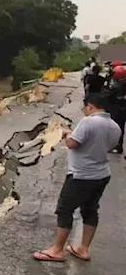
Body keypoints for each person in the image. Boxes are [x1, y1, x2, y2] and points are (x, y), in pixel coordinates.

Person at [33, 93, 121, 262]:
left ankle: (57, 250)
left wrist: (66, 134)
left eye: (84, 108)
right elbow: (107, 147)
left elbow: (72, 143)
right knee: (90, 210)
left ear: (90, 106)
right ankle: (83, 249)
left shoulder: (88, 122)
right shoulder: (114, 126)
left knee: (65, 209)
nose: (84, 111)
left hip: (81, 175)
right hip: (102, 174)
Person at [107, 69, 126, 154]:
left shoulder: (117, 85)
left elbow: (110, 97)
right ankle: (119, 145)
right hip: (123, 108)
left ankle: (117, 145)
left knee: (117, 128)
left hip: (119, 109)